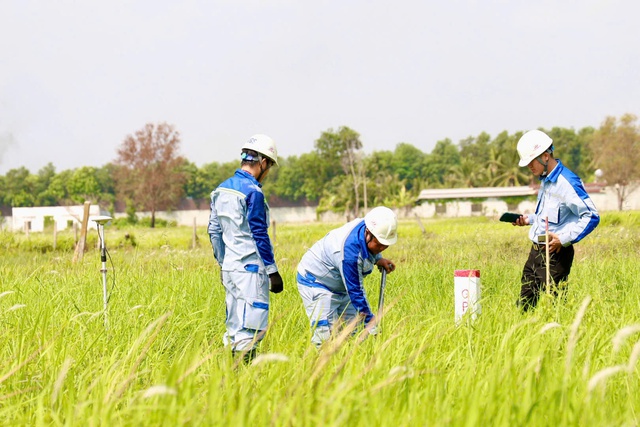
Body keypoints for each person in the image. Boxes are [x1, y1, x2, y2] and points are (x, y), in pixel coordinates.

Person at [208, 134, 284, 362]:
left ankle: (230, 381)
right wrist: (273, 272)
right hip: (250, 271)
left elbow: (214, 232)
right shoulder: (253, 192)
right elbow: (259, 233)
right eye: (269, 166)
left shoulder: (220, 190)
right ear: (262, 162)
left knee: (234, 327)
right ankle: (242, 381)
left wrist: (224, 264)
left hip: (231, 269)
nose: (268, 171)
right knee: (251, 329)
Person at [512, 129, 600, 310]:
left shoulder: (567, 182)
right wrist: (527, 219)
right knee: (524, 307)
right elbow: (547, 217)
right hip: (535, 252)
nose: (530, 167)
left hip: (555, 255)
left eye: (531, 162)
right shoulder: (545, 181)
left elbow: (591, 216)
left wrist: (564, 239)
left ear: (545, 156)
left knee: (554, 309)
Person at [296, 206, 398, 347]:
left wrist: (377, 258)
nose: (382, 248)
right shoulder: (349, 254)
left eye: (385, 246)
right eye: (380, 245)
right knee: (326, 336)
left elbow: (367, 249)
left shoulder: (370, 225)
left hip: (340, 283)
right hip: (316, 281)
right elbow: (356, 291)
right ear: (368, 233)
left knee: (355, 331)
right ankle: (322, 366)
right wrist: (371, 322)